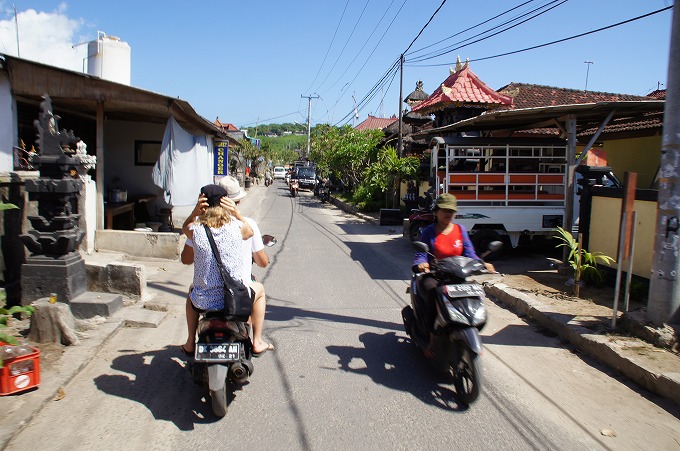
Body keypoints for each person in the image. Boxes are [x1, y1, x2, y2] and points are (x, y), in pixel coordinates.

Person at [180, 181, 274, 356]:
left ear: (202, 204)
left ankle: (190, 342)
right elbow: (250, 232)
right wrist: (237, 214)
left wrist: (194, 212)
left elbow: (184, 228)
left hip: (203, 302)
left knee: (191, 291)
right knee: (259, 289)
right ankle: (258, 341)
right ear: (227, 203)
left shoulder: (197, 231)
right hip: (234, 300)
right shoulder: (238, 228)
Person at [412, 193, 495, 356]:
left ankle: (467, 329)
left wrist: (482, 263)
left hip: (456, 276)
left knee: (475, 295)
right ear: (437, 211)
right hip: (435, 276)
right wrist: (421, 264)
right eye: (445, 210)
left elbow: (470, 252)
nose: (448, 214)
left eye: (451, 210)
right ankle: (431, 337)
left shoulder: (460, 230)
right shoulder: (429, 231)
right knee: (431, 292)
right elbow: (421, 254)